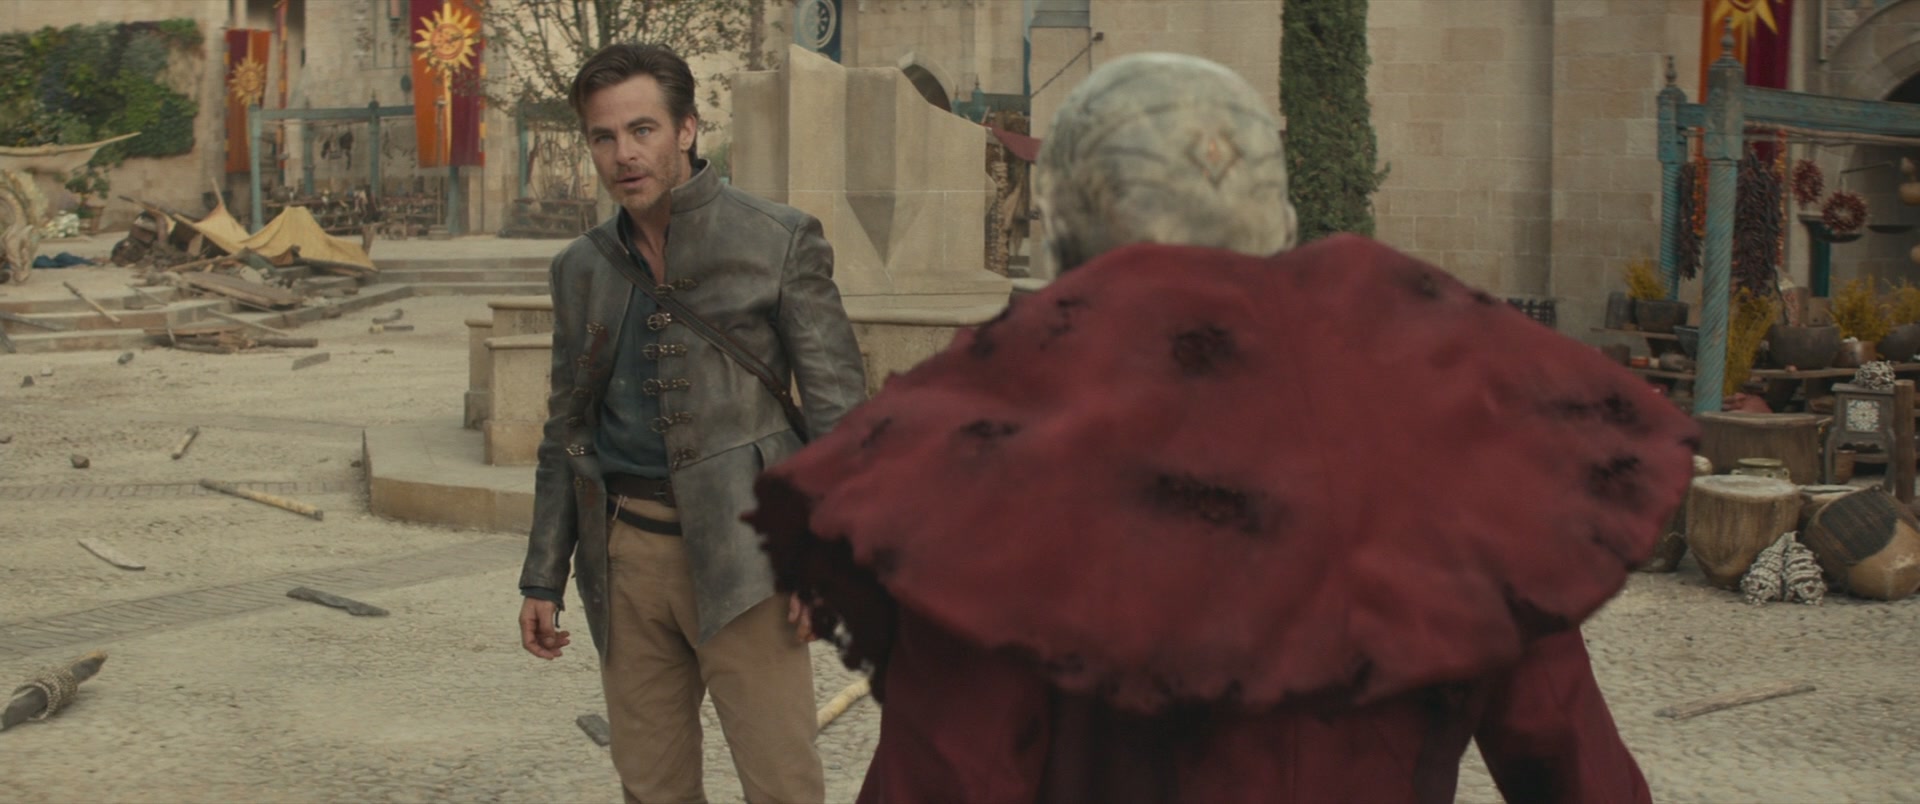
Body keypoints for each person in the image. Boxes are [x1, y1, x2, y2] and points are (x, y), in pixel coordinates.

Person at [746, 53, 1697, 802]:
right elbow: (1568, 754)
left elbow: (955, 773)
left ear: (1065, 235)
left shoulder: (996, 471)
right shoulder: (1451, 450)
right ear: (1276, 218)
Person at [516, 42, 866, 804]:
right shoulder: (580, 268)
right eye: (604, 136)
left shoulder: (778, 240)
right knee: (651, 787)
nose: (624, 154)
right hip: (627, 562)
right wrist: (543, 573)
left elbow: (840, 418)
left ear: (686, 129)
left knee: (783, 786)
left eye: (642, 129)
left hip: (750, 559)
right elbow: (566, 430)